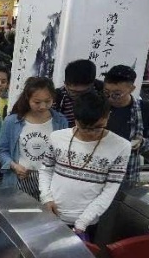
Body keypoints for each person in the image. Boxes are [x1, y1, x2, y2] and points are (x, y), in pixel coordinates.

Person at [39, 91, 131, 239]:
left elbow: (110, 188)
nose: (91, 133)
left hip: (87, 223)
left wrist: (83, 222)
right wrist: (46, 198)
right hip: (52, 214)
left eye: (98, 127)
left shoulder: (121, 146)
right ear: (75, 119)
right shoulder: (57, 137)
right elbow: (46, 170)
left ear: (107, 116)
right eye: (84, 127)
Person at [0, 78, 68, 197]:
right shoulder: (12, 121)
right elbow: (1, 151)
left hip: (49, 181)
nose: (43, 106)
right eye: (37, 102)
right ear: (27, 99)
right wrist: (14, 166)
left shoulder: (60, 121)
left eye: (48, 101)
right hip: (20, 178)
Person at [102, 65, 149, 189]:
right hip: (97, 171)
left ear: (131, 89)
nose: (110, 98)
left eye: (117, 94)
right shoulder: (98, 106)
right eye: (106, 92)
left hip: (127, 173)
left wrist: (141, 143)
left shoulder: (146, 109)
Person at [53, 59, 104, 127]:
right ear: (65, 84)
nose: (79, 96)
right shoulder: (56, 99)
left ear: (92, 84)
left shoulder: (103, 92)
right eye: (73, 92)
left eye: (84, 92)